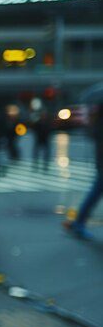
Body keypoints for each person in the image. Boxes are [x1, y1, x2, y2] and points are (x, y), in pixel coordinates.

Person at [64, 103, 103, 240]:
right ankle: (78, 223)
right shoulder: (99, 124)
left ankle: (78, 223)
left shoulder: (97, 122)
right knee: (94, 194)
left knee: (94, 194)